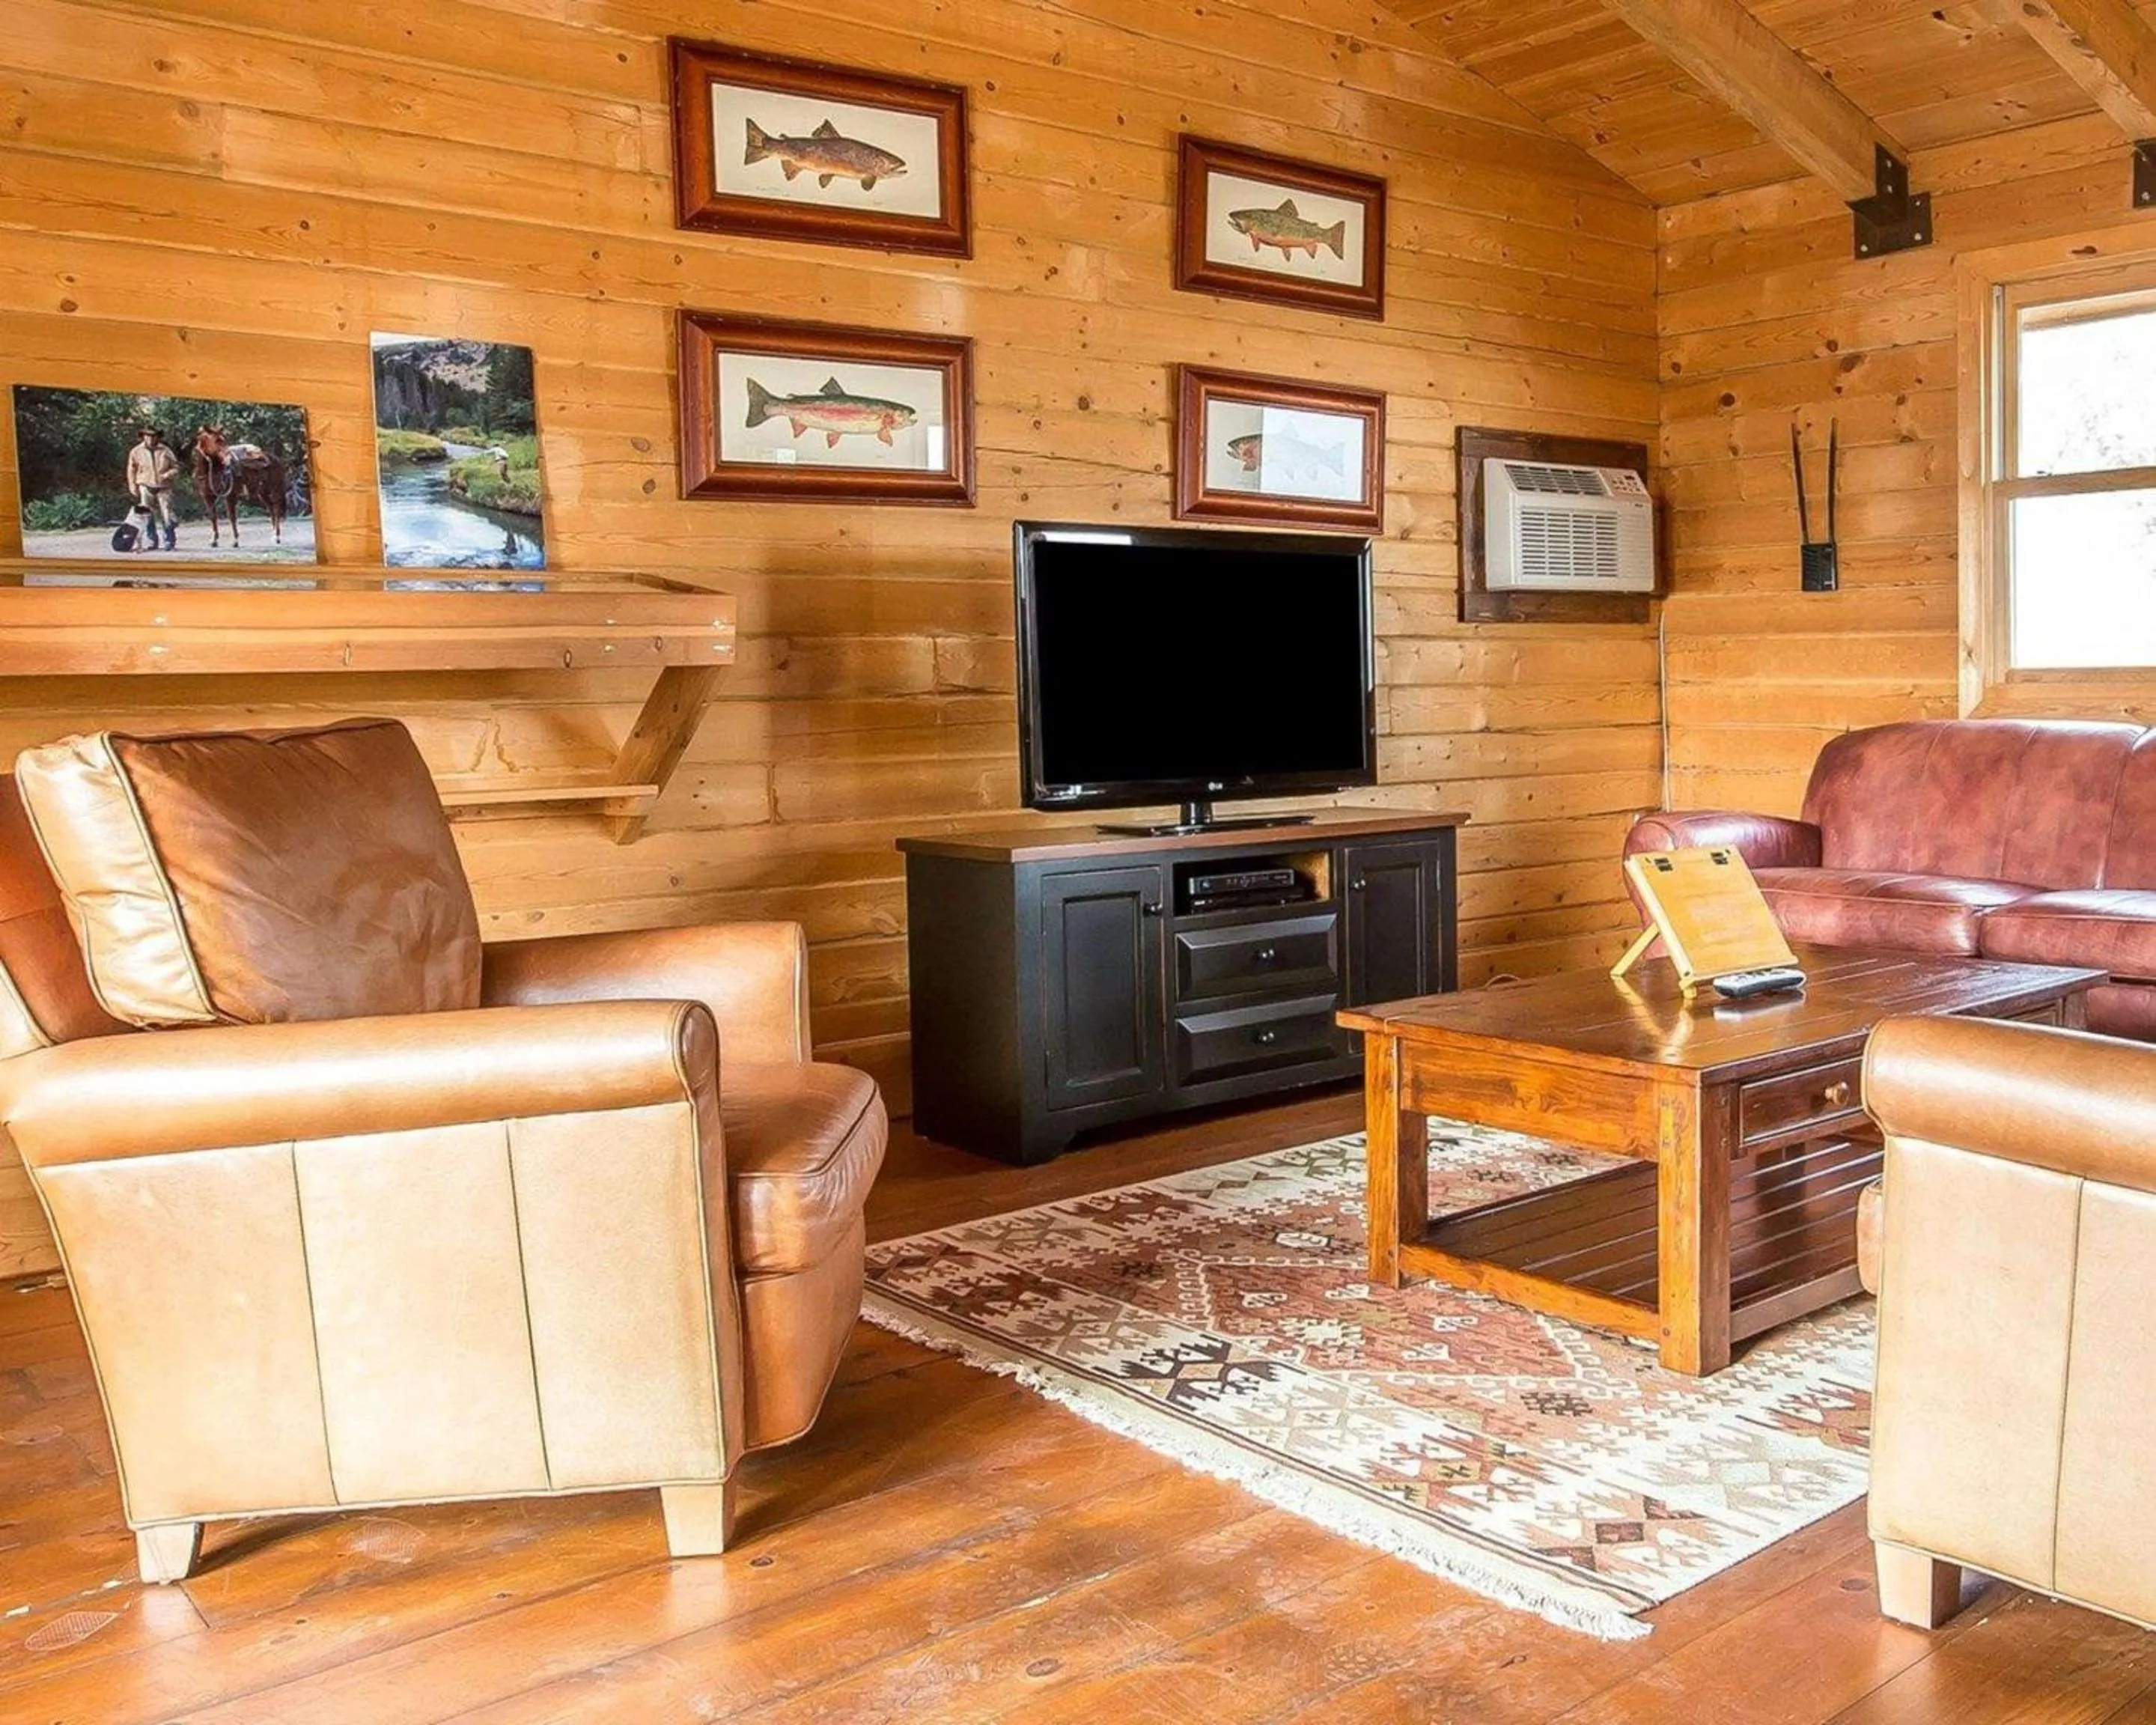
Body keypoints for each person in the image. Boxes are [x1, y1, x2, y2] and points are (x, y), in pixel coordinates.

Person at [124, 426, 180, 552]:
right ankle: (152, 541)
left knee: (167, 514)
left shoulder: (166, 450)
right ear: (143, 436)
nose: (150, 438)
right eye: (147, 435)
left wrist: (168, 474)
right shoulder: (136, 451)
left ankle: (169, 541)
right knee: (147, 515)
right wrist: (132, 485)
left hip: (164, 486)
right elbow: (131, 470)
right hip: (145, 485)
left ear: (158, 437)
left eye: (153, 436)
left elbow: (176, 467)